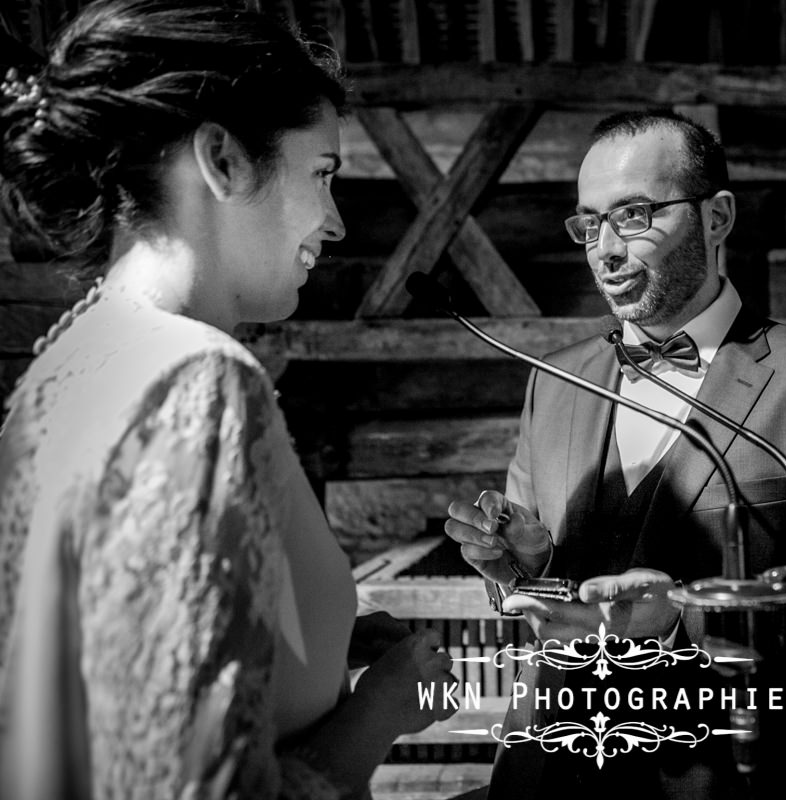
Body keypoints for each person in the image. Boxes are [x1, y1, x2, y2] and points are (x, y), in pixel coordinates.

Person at [0, 2, 456, 798]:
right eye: (323, 173)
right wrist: (378, 714)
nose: (337, 222)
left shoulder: (63, 368)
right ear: (223, 159)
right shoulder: (200, 381)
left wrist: (319, 637)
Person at [444, 109, 786, 799]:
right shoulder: (551, 381)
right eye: (588, 223)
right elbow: (554, 590)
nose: (604, 250)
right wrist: (528, 563)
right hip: (548, 773)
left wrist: (686, 618)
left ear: (717, 217)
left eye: (634, 215)